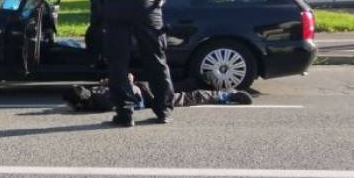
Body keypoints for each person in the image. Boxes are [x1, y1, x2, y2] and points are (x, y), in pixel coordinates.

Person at [63, 75, 253, 112]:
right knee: (181, 89)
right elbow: (127, 81)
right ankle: (212, 85)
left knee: (187, 96)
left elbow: (128, 95)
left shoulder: (98, 101)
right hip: (146, 90)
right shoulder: (98, 96)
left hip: (147, 95)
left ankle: (226, 94)